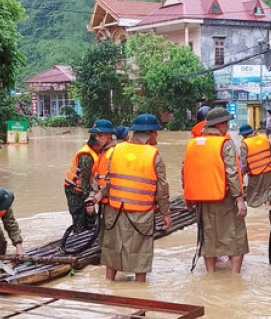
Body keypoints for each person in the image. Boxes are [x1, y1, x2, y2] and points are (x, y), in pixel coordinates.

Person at [94, 113, 171, 282]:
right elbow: (162, 189)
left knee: (113, 249)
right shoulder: (154, 154)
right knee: (140, 253)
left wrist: (98, 196)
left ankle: (109, 284)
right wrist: (166, 214)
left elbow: (108, 181)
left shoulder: (117, 150)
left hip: (115, 211)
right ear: (151, 133)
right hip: (140, 213)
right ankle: (139, 289)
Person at [183, 107, 249, 274]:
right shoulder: (224, 143)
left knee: (209, 238)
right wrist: (239, 199)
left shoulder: (192, 144)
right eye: (226, 123)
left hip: (202, 200)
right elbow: (232, 172)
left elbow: (186, 171)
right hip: (224, 197)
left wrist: (188, 199)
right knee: (236, 237)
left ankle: (210, 275)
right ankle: (235, 277)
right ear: (220, 124)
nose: (227, 126)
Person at [64, 119, 115, 233]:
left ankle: (89, 233)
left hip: (86, 188)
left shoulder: (101, 153)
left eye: (99, 135)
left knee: (90, 217)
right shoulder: (87, 156)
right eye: (97, 136)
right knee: (79, 216)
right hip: (75, 190)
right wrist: (89, 201)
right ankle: (79, 237)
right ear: (95, 144)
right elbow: (85, 181)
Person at [239, 124, 271, 208]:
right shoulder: (264, 138)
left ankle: (262, 207)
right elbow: (270, 150)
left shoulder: (244, 144)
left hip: (255, 175)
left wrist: (241, 176)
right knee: (268, 193)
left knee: (253, 199)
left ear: (244, 135)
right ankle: (267, 205)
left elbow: (244, 164)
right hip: (268, 171)